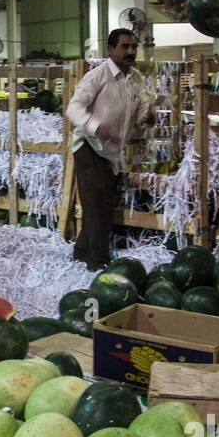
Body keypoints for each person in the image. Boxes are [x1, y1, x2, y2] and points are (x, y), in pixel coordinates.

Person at [65, 29, 155, 270]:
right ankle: (98, 264)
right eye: (125, 47)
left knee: (103, 204)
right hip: (89, 147)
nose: (131, 52)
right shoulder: (97, 76)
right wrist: (96, 127)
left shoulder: (136, 79)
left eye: (133, 47)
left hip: (112, 153)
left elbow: (142, 110)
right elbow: (73, 110)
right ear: (111, 49)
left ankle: (81, 252)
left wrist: (148, 117)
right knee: (96, 207)